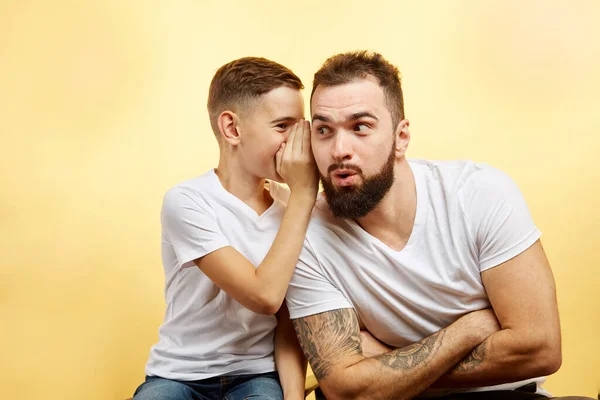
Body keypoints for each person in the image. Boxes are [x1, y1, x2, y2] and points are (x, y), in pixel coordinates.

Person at [285, 51, 592, 400]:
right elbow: (347, 389)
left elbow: (541, 348)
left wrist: (386, 364)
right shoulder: (303, 232)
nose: (340, 150)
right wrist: (468, 329)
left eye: (360, 127)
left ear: (401, 137)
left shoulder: (478, 193)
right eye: (324, 130)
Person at [133, 57, 318, 400]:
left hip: (256, 374)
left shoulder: (294, 209)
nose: (297, 144)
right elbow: (263, 296)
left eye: (301, 128)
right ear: (232, 128)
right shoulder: (186, 202)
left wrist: (292, 396)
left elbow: (289, 320)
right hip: (179, 375)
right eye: (282, 127)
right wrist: (305, 192)